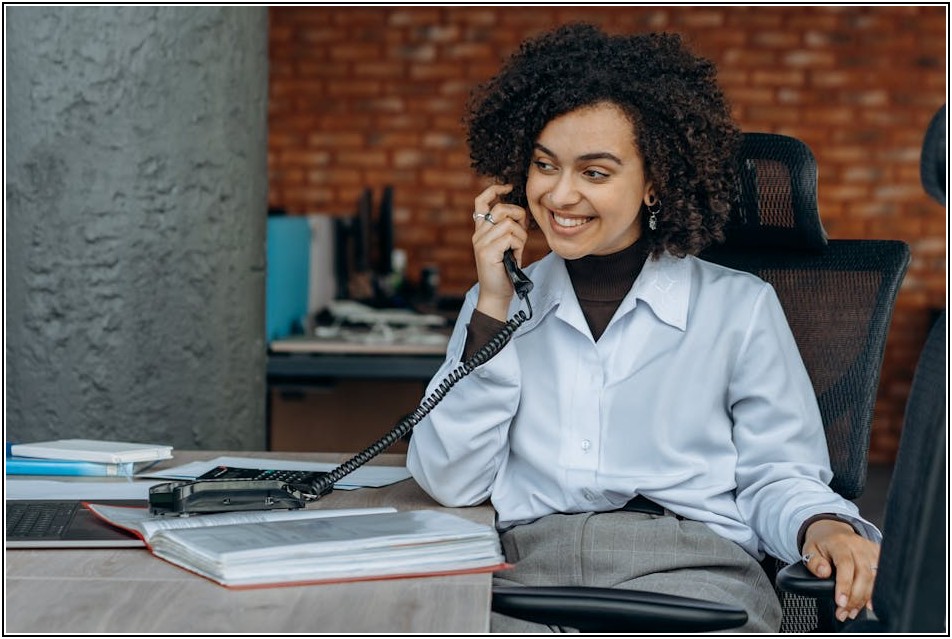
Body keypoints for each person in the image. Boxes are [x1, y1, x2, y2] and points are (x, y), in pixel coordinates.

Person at [406, 23, 880, 632]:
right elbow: (450, 480)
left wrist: (824, 524)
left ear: (655, 181)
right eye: (545, 165)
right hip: (527, 574)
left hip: (692, 572)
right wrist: (494, 308)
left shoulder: (739, 307)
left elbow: (777, 474)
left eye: (595, 173)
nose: (560, 195)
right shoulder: (496, 303)